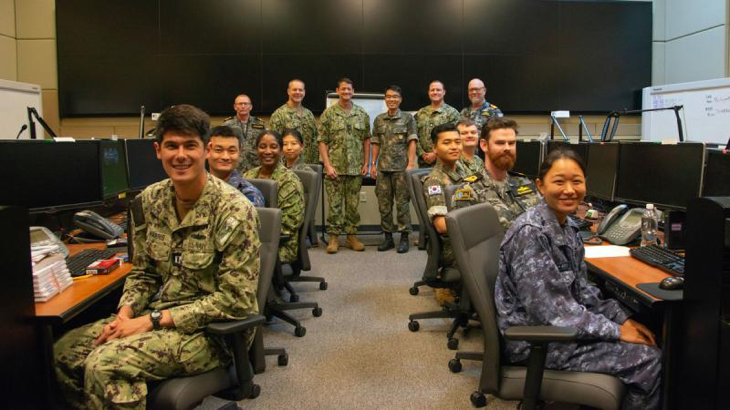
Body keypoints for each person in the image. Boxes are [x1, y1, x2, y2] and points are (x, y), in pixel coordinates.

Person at [54, 104, 261, 409]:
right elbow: (144, 273)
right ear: (157, 150)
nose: (180, 155)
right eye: (172, 146)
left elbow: (236, 301)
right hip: (153, 318)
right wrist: (125, 314)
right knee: (64, 352)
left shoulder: (234, 209)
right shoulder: (150, 201)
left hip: (212, 335)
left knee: (105, 363)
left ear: (205, 150)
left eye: (190, 146)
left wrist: (151, 321)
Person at [496, 148, 662, 410]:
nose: (569, 190)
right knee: (648, 359)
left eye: (577, 181)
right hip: (539, 342)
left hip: (561, 330)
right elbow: (553, 314)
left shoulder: (567, 226)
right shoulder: (532, 233)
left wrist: (624, 319)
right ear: (540, 185)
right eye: (559, 182)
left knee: (646, 325)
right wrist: (617, 331)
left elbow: (584, 292)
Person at [452, 117, 540, 230]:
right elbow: (469, 243)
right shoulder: (469, 191)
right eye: (500, 143)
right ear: (484, 145)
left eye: (512, 143)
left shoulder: (524, 182)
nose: (507, 148)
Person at [318, 78, 371, 254]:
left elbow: (367, 140)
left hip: (356, 168)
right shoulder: (328, 114)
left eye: (349, 89)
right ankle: (333, 238)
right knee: (334, 204)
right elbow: (322, 141)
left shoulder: (361, 113)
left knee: (352, 205)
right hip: (335, 168)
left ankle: (351, 236)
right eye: (343, 89)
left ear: (353, 91)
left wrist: (366, 163)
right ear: (337, 91)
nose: (346, 92)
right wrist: (327, 165)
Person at [245, 130, 305, 264]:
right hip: (250, 238)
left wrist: (251, 236)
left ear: (281, 150)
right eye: (262, 146)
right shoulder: (248, 176)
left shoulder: (289, 181)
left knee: (237, 258)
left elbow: (289, 224)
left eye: (273, 147)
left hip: (281, 243)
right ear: (256, 150)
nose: (267, 151)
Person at [370, 85, 418, 253]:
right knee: (384, 205)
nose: (392, 99)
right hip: (383, 169)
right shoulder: (378, 120)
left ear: (400, 99)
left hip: (401, 169)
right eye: (389, 96)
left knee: (402, 204)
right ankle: (388, 238)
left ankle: (404, 238)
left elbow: (412, 141)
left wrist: (411, 164)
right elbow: (375, 142)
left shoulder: (407, 119)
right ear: (385, 99)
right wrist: (372, 164)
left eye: (395, 96)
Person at [422, 123, 463, 305]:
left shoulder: (464, 172)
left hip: (466, 237)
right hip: (453, 246)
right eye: (447, 142)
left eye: (457, 142)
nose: (454, 146)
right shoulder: (435, 181)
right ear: (435, 148)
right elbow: (440, 226)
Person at [206, 125, 265, 207]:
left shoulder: (249, 195)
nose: (225, 157)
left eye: (231, 151)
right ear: (207, 151)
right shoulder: (196, 189)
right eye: (218, 150)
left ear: (239, 152)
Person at [269, 79, 319, 165]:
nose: (297, 92)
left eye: (300, 90)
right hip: (287, 167)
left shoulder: (309, 114)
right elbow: (274, 143)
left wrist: (315, 165)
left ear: (304, 92)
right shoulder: (279, 114)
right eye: (294, 89)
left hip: (308, 166)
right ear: (288, 91)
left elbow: (314, 142)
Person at [415, 80, 460, 168]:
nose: (435, 92)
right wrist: (422, 154)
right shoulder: (421, 113)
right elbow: (415, 136)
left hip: (444, 163)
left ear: (444, 92)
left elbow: (455, 139)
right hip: (424, 163)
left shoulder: (452, 113)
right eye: (432, 90)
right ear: (428, 92)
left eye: (438, 90)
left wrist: (436, 154)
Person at [223, 93, 266, 173]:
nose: (243, 106)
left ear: (250, 107)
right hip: (235, 167)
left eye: (245, 104)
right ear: (235, 107)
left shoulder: (259, 124)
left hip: (255, 167)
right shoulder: (227, 124)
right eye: (240, 104)